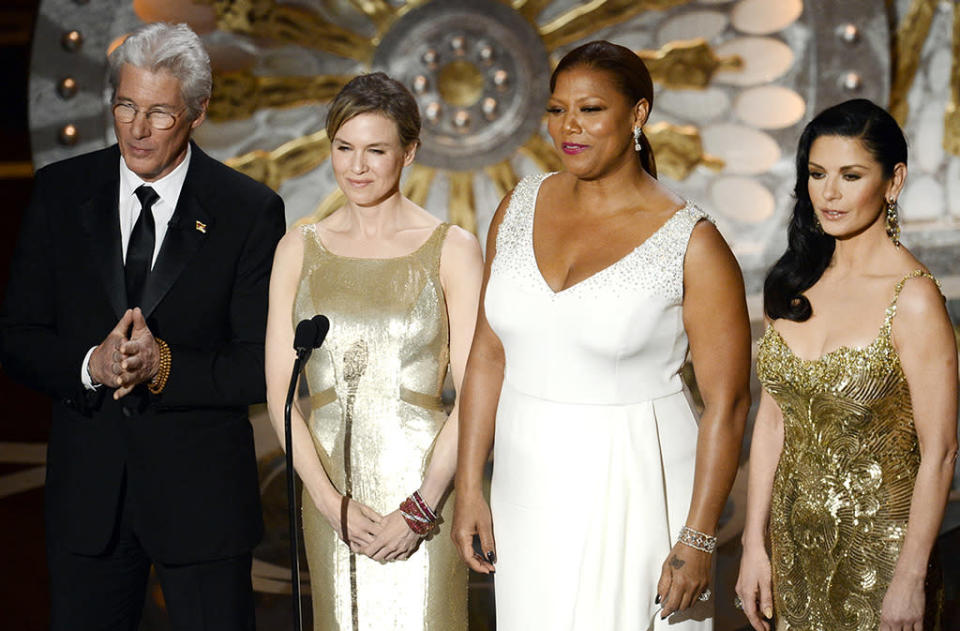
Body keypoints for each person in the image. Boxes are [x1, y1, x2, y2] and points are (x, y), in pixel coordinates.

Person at [450, 40, 751, 630]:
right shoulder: (516, 206)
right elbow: (487, 354)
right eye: (557, 109)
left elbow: (729, 404)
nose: (569, 127)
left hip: (636, 481)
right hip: (525, 482)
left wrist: (698, 537)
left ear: (637, 115)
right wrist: (469, 486)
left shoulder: (693, 242)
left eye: (590, 110)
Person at [0, 22, 285, 631]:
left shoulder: (248, 210)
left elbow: (258, 363)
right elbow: (18, 338)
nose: (136, 128)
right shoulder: (60, 193)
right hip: (88, 503)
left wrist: (164, 366)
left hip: (203, 505)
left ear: (198, 112)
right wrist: (89, 365)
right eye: (125, 105)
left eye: (158, 112)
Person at [264, 72, 483, 630]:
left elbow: (477, 394)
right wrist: (327, 500)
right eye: (344, 148)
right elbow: (279, 395)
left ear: (409, 152)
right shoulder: (298, 248)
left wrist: (423, 505)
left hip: (427, 492)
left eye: (375, 150)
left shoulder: (451, 249)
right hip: (333, 497)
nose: (356, 167)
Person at [735, 98, 957, 631]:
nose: (828, 193)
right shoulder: (793, 284)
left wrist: (908, 578)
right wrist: (752, 544)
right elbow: (771, 422)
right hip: (791, 555)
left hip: (882, 564)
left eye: (850, 175)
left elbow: (942, 453)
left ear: (893, 180)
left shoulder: (915, 299)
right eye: (816, 174)